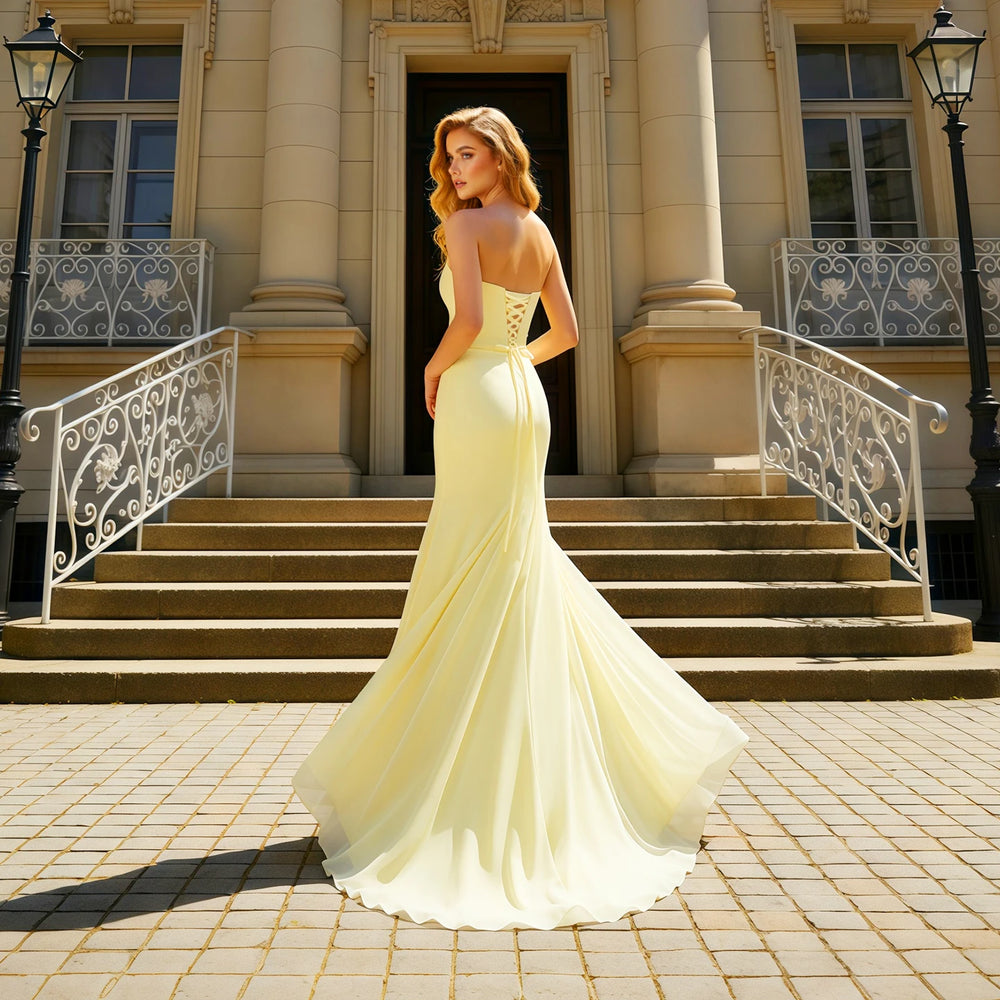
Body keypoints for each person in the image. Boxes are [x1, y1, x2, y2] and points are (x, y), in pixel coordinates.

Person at [292, 106, 749, 931]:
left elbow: (467, 323)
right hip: (521, 398)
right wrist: (511, 364)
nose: (454, 170)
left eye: (467, 155)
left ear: (501, 159)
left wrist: (437, 372)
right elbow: (565, 334)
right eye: (449, 157)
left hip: (477, 394)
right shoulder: (537, 230)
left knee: (477, 566)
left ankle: (463, 774)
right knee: (511, 565)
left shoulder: (469, 229)